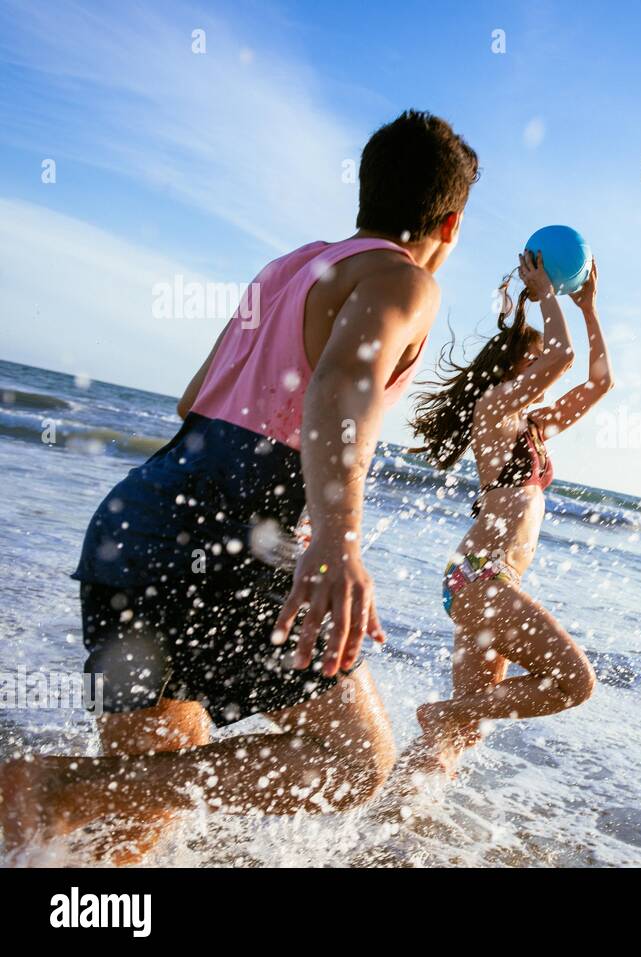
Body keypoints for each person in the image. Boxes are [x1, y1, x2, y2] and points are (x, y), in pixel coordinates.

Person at [0, 110, 477, 863]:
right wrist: (337, 541)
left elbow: (194, 397)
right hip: (225, 534)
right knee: (353, 761)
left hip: (137, 523)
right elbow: (337, 393)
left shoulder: (288, 268)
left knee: (132, 818)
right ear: (449, 223)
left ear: (367, 189)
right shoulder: (402, 279)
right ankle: (57, 788)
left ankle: (56, 817)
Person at [400, 252, 612, 777]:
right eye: (534, 365)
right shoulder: (492, 407)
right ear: (516, 366)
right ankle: (436, 714)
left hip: (489, 582)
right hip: (479, 578)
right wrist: (546, 295)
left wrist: (588, 309)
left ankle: (391, 830)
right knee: (574, 683)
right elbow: (562, 357)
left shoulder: (534, 426)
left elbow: (599, 382)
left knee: (462, 732)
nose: (546, 377)